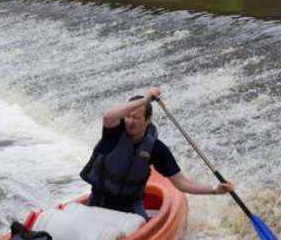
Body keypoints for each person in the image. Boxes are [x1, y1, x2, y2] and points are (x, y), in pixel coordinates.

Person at [81, 86, 234, 219]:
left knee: (138, 228)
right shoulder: (113, 132)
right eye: (128, 116)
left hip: (130, 207)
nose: (130, 121)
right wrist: (145, 100)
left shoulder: (156, 148)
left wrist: (214, 190)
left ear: (148, 120)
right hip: (99, 201)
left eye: (136, 117)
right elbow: (108, 116)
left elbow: (182, 183)